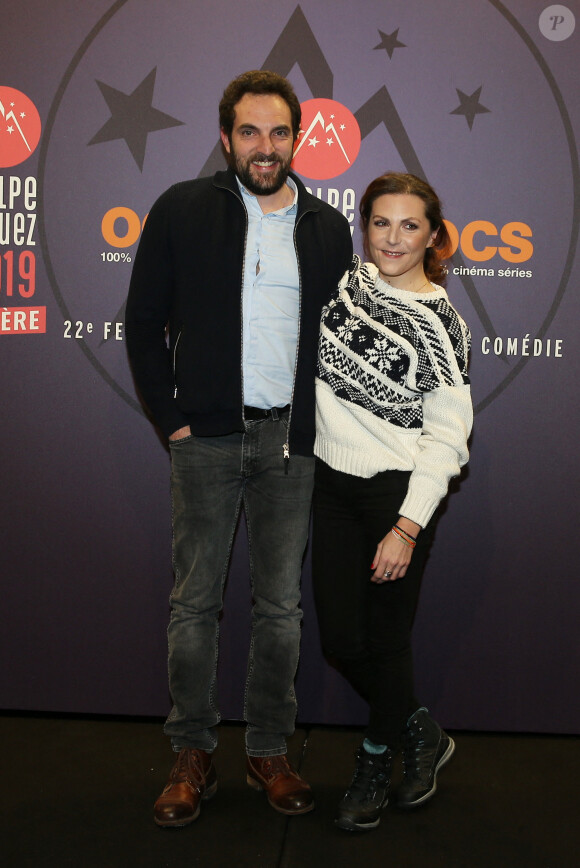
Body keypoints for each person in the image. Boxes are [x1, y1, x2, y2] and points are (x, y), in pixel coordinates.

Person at [125, 70, 353, 827]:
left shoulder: (326, 227)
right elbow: (144, 320)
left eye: (279, 132)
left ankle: (266, 750)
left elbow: (337, 341)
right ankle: (192, 753)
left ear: (297, 139)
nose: (264, 147)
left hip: (292, 442)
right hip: (207, 439)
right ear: (226, 138)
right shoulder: (183, 209)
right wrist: (173, 418)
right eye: (249, 132)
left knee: (280, 609)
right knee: (194, 604)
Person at [312, 172, 472, 832]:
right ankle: (420, 731)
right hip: (330, 487)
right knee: (341, 639)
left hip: (396, 498)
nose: (394, 238)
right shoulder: (344, 283)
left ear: (434, 236)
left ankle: (378, 756)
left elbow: (448, 437)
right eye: (381, 222)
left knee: (384, 641)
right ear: (364, 225)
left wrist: (406, 527)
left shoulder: (441, 325)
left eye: (410, 226)